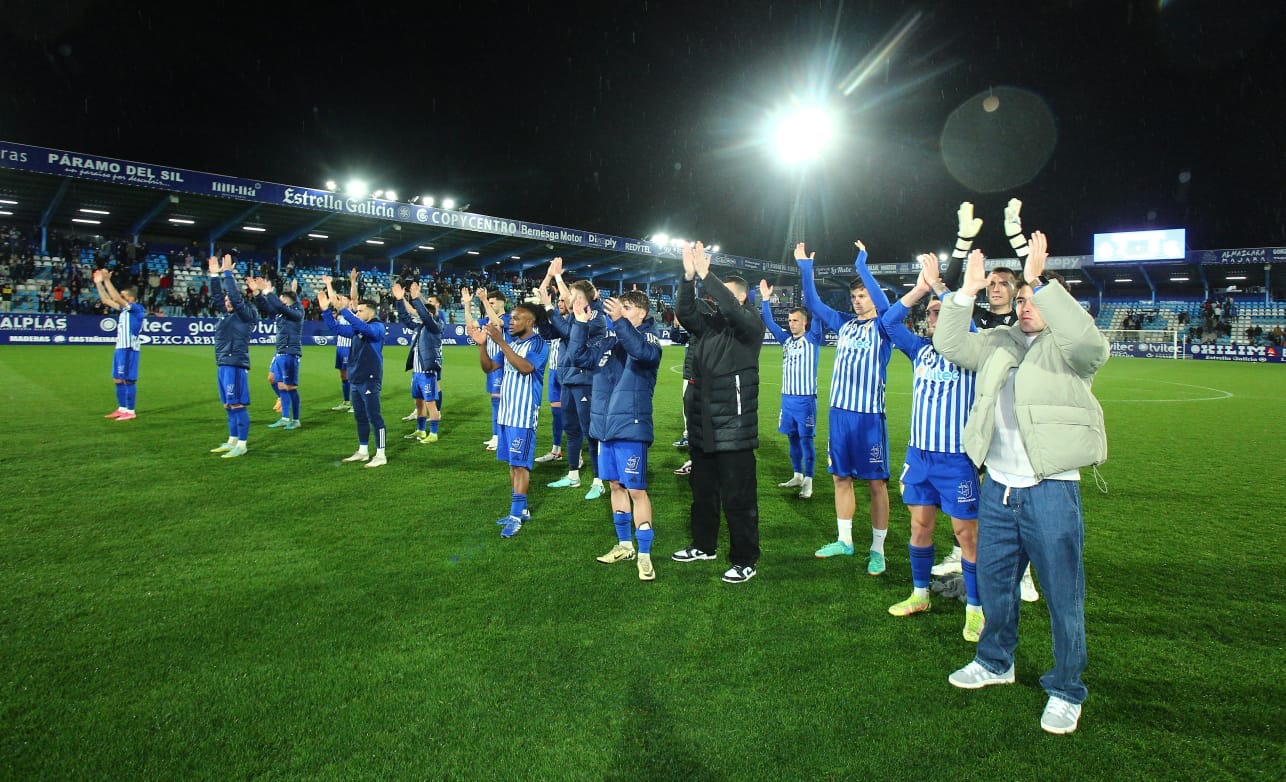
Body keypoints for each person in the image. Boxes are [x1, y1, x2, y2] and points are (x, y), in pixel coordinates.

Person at [936, 236, 1109, 735]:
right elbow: (950, 344)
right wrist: (965, 293)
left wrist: (1040, 279)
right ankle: (995, 662)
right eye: (1023, 299)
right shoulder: (999, 341)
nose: (1027, 305)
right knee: (995, 587)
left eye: (1034, 297)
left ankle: (1066, 688)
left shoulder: (1069, 350)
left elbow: (1091, 344)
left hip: (1051, 489)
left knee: (1062, 596)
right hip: (999, 489)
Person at [937, 200, 1041, 603]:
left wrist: (1015, 233)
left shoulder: (1023, 323)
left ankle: (1025, 571)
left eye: (1003, 283)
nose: (995, 287)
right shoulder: (975, 320)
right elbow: (945, 289)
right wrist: (962, 242)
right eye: (991, 283)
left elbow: (1042, 284)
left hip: (1015, 421)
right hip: (975, 417)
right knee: (972, 493)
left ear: (1016, 291)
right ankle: (962, 551)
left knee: (1019, 500)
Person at [881, 257, 983, 642]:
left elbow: (964, 317)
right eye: (933, 314)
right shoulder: (920, 350)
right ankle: (920, 594)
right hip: (919, 457)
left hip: (956, 460)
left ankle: (975, 609)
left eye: (944, 313)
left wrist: (942, 289)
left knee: (966, 535)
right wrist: (921, 290)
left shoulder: (971, 349)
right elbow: (888, 323)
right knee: (919, 526)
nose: (937, 318)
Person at [796, 240, 894, 576]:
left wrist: (863, 267)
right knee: (840, 478)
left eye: (862, 295)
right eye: (854, 296)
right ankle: (845, 540)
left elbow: (883, 304)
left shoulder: (885, 326)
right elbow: (812, 302)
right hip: (839, 414)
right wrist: (806, 269)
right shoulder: (844, 323)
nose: (857, 301)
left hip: (868, 417)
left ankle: (878, 550)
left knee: (876, 483)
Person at [670, 242, 763, 584]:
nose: (713, 300)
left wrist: (709, 276)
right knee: (702, 492)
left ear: (738, 298)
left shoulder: (750, 326)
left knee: (738, 499)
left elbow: (733, 311)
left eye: (721, 295)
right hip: (703, 425)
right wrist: (688, 277)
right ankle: (704, 545)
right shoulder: (708, 327)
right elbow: (684, 310)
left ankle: (745, 559)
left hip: (734, 428)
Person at [570, 290, 662, 581]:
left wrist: (620, 322)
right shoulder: (609, 341)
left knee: (636, 490)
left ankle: (645, 555)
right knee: (615, 487)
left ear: (642, 313)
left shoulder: (649, 340)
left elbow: (639, 352)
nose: (619, 312)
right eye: (619, 307)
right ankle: (625, 545)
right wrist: (580, 324)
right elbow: (578, 357)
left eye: (626, 308)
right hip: (604, 429)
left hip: (631, 428)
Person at [470, 303, 548, 538]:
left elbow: (526, 368)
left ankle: (515, 516)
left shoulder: (538, 344)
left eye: (516, 318)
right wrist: (483, 346)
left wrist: (501, 342)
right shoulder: (512, 344)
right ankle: (520, 509)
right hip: (506, 414)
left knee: (521, 465)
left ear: (530, 322)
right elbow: (489, 368)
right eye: (511, 318)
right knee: (513, 464)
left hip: (523, 415)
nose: (510, 322)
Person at [759, 279, 824, 499]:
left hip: (805, 400)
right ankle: (797, 475)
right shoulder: (786, 341)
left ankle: (809, 481)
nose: (791, 324)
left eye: (795, 320)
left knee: (806, 440)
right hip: (787, 399)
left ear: (805, 322)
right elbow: (769, 321)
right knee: (792, 438)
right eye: (789, 320)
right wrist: (766, 300)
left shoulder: (813, 339)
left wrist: (810, 286)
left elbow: (817, 310)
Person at [545, 264, 606, 500]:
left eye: (574, 296)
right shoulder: (576, 315)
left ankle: (599, 480)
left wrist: (550, 307)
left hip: (586, 380)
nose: (569, 299)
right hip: (569, 379)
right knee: (570, 430)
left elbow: (567, 332)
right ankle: (573, 475)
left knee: (590, 433)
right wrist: (558, 276)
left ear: (586, 298)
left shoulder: (596, 317)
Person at [319, 268, 388, 468]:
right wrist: (325, 311)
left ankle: (381, 454)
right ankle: (363, 450)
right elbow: (337, 329)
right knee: (360, 416)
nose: (358, 312)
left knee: (374, 416)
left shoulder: (377, 327)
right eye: (357, 311)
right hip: (356, 378)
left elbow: (364, 329)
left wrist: (344, 310)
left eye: (360, 310)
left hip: (370, 378)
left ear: (371, 312)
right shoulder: (357, 328)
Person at [207, 254, 257, 458]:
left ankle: (242, 445)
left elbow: (235, 298)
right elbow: (218, 297)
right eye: (226, 301)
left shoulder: (246, 314)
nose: (227, 302)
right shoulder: (226, 314)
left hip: (235, 363)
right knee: (228, 404)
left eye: (231, 300)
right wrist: (213, 275)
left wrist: (227, 273)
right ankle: (232, 440)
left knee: (236, 403)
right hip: (223, 363)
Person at [250, 277, 304, 431]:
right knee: (276, 381)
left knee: (290, 387)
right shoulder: (282, 313)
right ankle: (285, 418)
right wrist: (257, 292)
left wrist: (268, 291)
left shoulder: (297, 311)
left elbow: (279, 306)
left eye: (281, 300)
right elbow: (265, 306)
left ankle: (296, 419)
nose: (278, 303)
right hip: (280, 352)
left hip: (290, 352)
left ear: (286, 301)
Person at [393, 280, 443, 443]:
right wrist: (400, 300)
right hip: (416, 374)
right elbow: (405, 318)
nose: (418, 315)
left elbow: (425, 316)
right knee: (419, 404)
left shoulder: (434, 327)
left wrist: (415, 298)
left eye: (421, 313)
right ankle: (421, 431)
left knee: (430, 405)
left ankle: (433, 434)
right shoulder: (418, 327)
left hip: (428, 374)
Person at [93, 268, 145, 421]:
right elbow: (106, 300)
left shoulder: (137, 308)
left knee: (128, 379)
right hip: (120, 348)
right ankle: (122, 408)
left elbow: (114, 297)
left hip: (129, 348)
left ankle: (130, 411)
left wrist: (107, 280)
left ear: (130, 298)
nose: (119, 298)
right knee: (117, 378)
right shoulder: (124, 310)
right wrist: (99, 284)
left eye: (123, 296)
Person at [534, 263, 568, 463]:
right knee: (557, 413)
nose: (562, 303)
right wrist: (548, 276)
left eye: (565, 301)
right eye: (560, 301)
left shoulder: (573, 320)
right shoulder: (553, 319)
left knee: (573, 414)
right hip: (554, 372)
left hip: (570, 371)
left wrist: (557, 278)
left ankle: (578, 453)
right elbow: (541, 295)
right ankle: (556, 450)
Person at [321, 276, 353, 412]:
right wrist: (328, 284)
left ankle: (355, 402)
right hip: (340, 348)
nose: (340, 301)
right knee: (343, 375)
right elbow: (333, 300)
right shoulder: (340, 315)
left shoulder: (353, 313)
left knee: (351, 375)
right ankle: (346, 401)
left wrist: (352, 282)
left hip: (349, 348)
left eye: (344, 299)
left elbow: (353, 297)